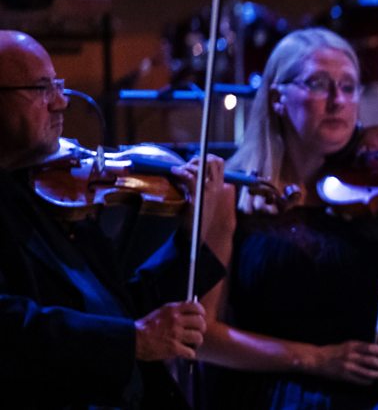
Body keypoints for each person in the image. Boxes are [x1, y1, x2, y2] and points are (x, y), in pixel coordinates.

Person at [199, 28, 378, 409]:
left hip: (372, 390)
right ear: (277, 98)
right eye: (319, 84)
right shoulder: (230, 194)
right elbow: (203, 335)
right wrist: (315, 359)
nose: (337, 100)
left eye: (348, 87)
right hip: (268, 391)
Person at [0, 30, 233, 409]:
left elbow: (125, 308)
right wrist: (132, 341)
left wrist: (192, 235)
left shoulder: (52, 191)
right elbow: (10, 326)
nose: (60, 103)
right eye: (42, 89)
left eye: (59, 86)